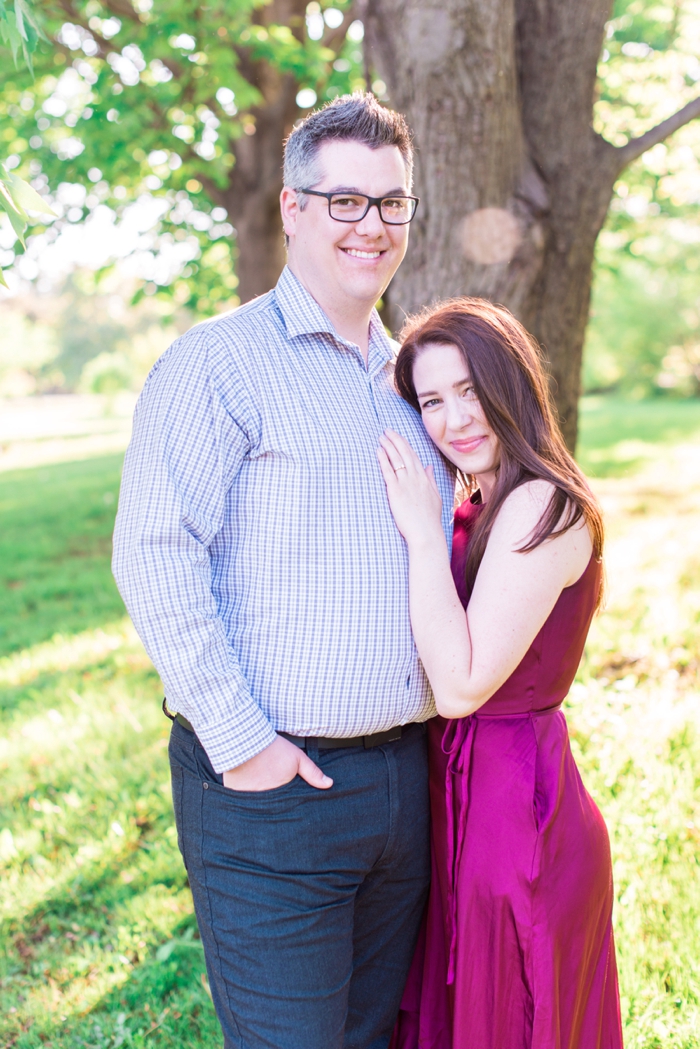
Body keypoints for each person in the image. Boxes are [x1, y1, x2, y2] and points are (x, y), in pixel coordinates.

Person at [112, 93, 455, 1049]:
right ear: (293, 209)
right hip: (273, 793)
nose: (371, 225)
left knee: (374, 1038)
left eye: (391, 203)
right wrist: (242, 744)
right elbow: (153, 551)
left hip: (404, 782)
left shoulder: (411, 383)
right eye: (344, 201)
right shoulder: (217, 365)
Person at [376, 299, 623, 1049]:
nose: (454, 419)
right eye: (431, 401)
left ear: (510, 383)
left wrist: (422, 538)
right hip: (461, 793)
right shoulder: (482, 505)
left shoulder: (542, 504)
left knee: (507, 1019)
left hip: (515, 811)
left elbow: (461, 686)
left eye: (470, 390)